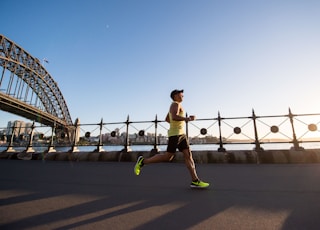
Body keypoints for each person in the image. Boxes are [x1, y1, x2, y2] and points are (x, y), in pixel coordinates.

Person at [134, 89, 210, 188]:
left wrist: (178, 123)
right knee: (168, 157)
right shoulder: (175, 104)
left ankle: (195, 180)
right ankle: (143, 161)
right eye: (181, 94)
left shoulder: (176, 105)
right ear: (175, 95)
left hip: (181, 134)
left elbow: (167, 119)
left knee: (188, 156)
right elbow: (174, 117)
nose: (183, 95)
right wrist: (187, 119)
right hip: (175, 135)